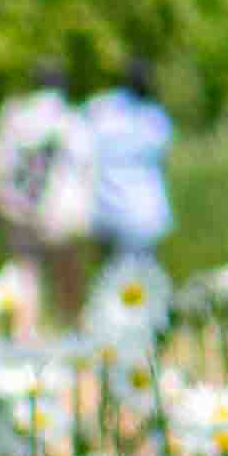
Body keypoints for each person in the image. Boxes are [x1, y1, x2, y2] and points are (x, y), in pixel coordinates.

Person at [0, 60, 99, 328]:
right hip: (58, 209)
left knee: (27, 274)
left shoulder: (15, 114)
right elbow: (86, 165)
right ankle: (73, 332)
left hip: (18, 206)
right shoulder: (71, 120)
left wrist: (1, 198)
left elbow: (0, 163)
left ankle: (25, 335)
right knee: (67, 274)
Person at [80, 59, 174, 300]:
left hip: (106, 203)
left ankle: (108, 322)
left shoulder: (101, 108)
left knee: (108, 275)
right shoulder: (155, 117)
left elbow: (84, 151)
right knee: (143, 276)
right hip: (142, 208)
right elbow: (163, 160)